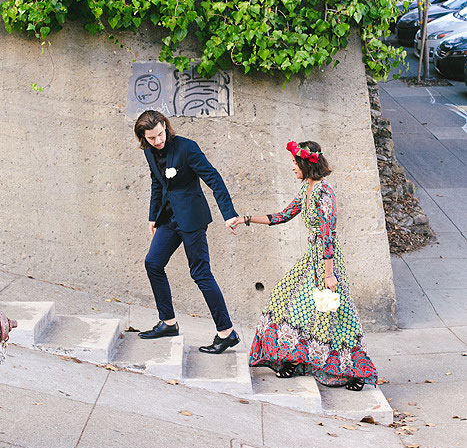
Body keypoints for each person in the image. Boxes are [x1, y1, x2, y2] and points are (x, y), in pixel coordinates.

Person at [233, 140, 378, 389]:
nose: (292, 167)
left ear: (305, 163)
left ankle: (355, 372)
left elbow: (328, 235)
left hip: (327, 262)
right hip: (311, 259)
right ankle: (291, 358)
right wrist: (245, 219)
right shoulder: (306, 190)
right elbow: (281, 216)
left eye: (294, 162)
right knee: (284, 301)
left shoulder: (325, 193)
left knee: (335, 315)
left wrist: (329, 275)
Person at [134, 110, 240, 354]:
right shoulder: (149, 153)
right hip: (168, 219)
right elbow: (156, 182)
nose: (158, 141)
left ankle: (226, 332)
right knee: (153, 263)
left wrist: (229, 214)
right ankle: (168, 322)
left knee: (200, 273)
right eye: (152, 138)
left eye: (160, 135)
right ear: (143, 138)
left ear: (165, 127)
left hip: (192, 218)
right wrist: (152, 216)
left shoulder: (187, 148)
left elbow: (214, 179)